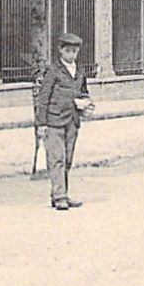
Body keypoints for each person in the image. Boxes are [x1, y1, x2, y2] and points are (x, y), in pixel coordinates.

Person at [34, 32, 93, 211]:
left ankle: (61, 193)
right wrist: (41, 124)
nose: (71, 55)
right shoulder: (53, 71)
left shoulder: (80, 71)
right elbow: (43, 97)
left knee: (67, 159)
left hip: (72, 120)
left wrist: (87, 106)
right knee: (56, 158)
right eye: (68, 51)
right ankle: (60, 196)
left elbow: (84, 92)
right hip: (54, 121)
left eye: (74, 51)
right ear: (60, 51)